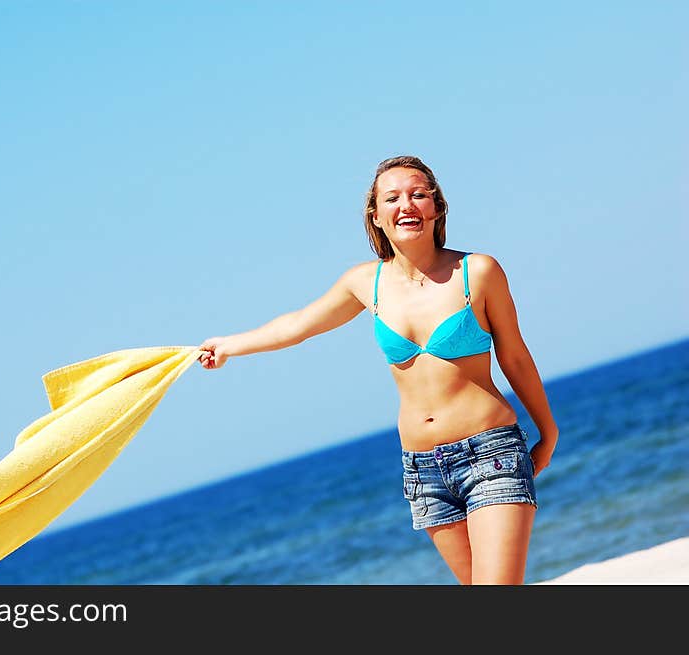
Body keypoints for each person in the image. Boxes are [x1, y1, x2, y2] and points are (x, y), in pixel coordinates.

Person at [198, 155, 559, 585]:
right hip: (424, 470)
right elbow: (296, 326)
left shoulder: (477, 272)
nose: (406, 205)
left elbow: (515, 357)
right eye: (393, 198)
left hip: (491, 454)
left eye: (418, 194)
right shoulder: (365, 283)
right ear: (377, 216)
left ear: (436, 207)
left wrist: (547, 432)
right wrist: (228, 346)